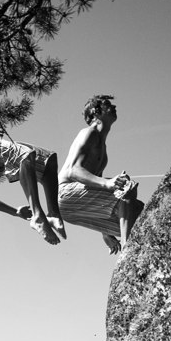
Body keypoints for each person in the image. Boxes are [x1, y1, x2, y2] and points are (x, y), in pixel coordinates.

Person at [57, 94, 144, 254]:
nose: (114, 107)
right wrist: (108, 183)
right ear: (95, 112)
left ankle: (134, 253)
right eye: (107, 104)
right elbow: (73, 170)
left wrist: (105, 232)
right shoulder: (89, 133)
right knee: (126, 188)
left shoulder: (102, 146)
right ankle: (128, 255)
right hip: (65, 193)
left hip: (71, 207)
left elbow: (95, 186)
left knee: (139, 212)